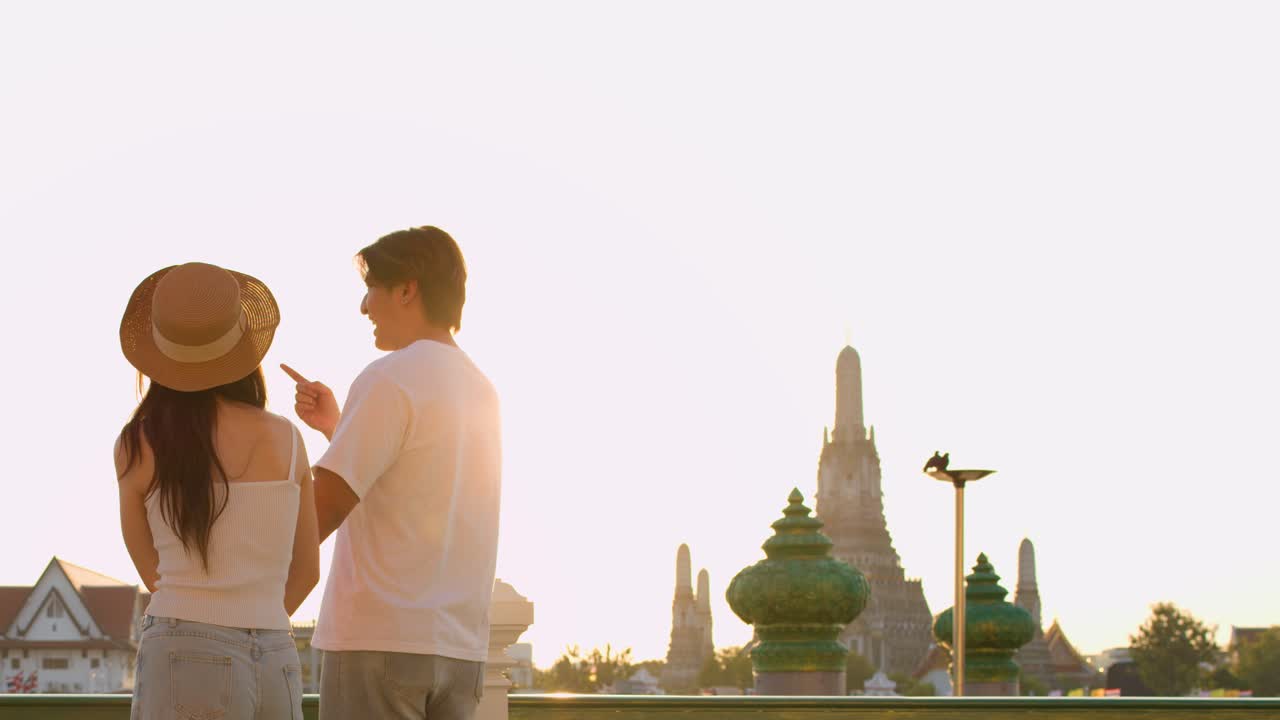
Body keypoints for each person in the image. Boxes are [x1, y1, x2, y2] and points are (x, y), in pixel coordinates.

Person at [282, 226, 502, 720]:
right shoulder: (482, 390)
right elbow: (418, 484)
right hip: (460, 649)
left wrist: (248, 586)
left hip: (378, 641)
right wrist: (338, 428)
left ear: (407, 289)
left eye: (372, 288)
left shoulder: (388, 377)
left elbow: (323, 509)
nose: (364, 307)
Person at [116, 262, 320, 720]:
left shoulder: (139, 443)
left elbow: (153, 572)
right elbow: (307, 571)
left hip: (183, 648)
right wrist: (252, 617)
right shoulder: (287, 440)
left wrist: (208, 622)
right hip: (274, 653)